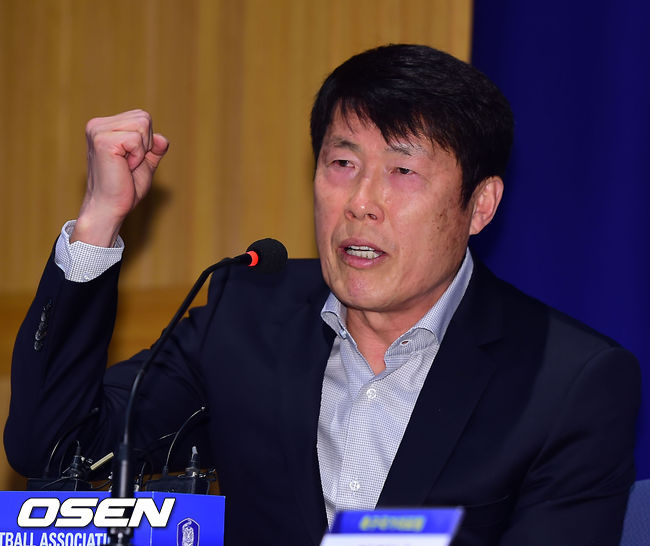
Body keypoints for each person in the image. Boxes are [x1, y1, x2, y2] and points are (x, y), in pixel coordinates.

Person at [4, 44, 640, 545]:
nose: (361, 202)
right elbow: (55, 449)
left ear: (480, 205)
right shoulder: (245, 317)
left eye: (403, 170)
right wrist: (100, 218)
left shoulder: (568, 383)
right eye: (342, 164)